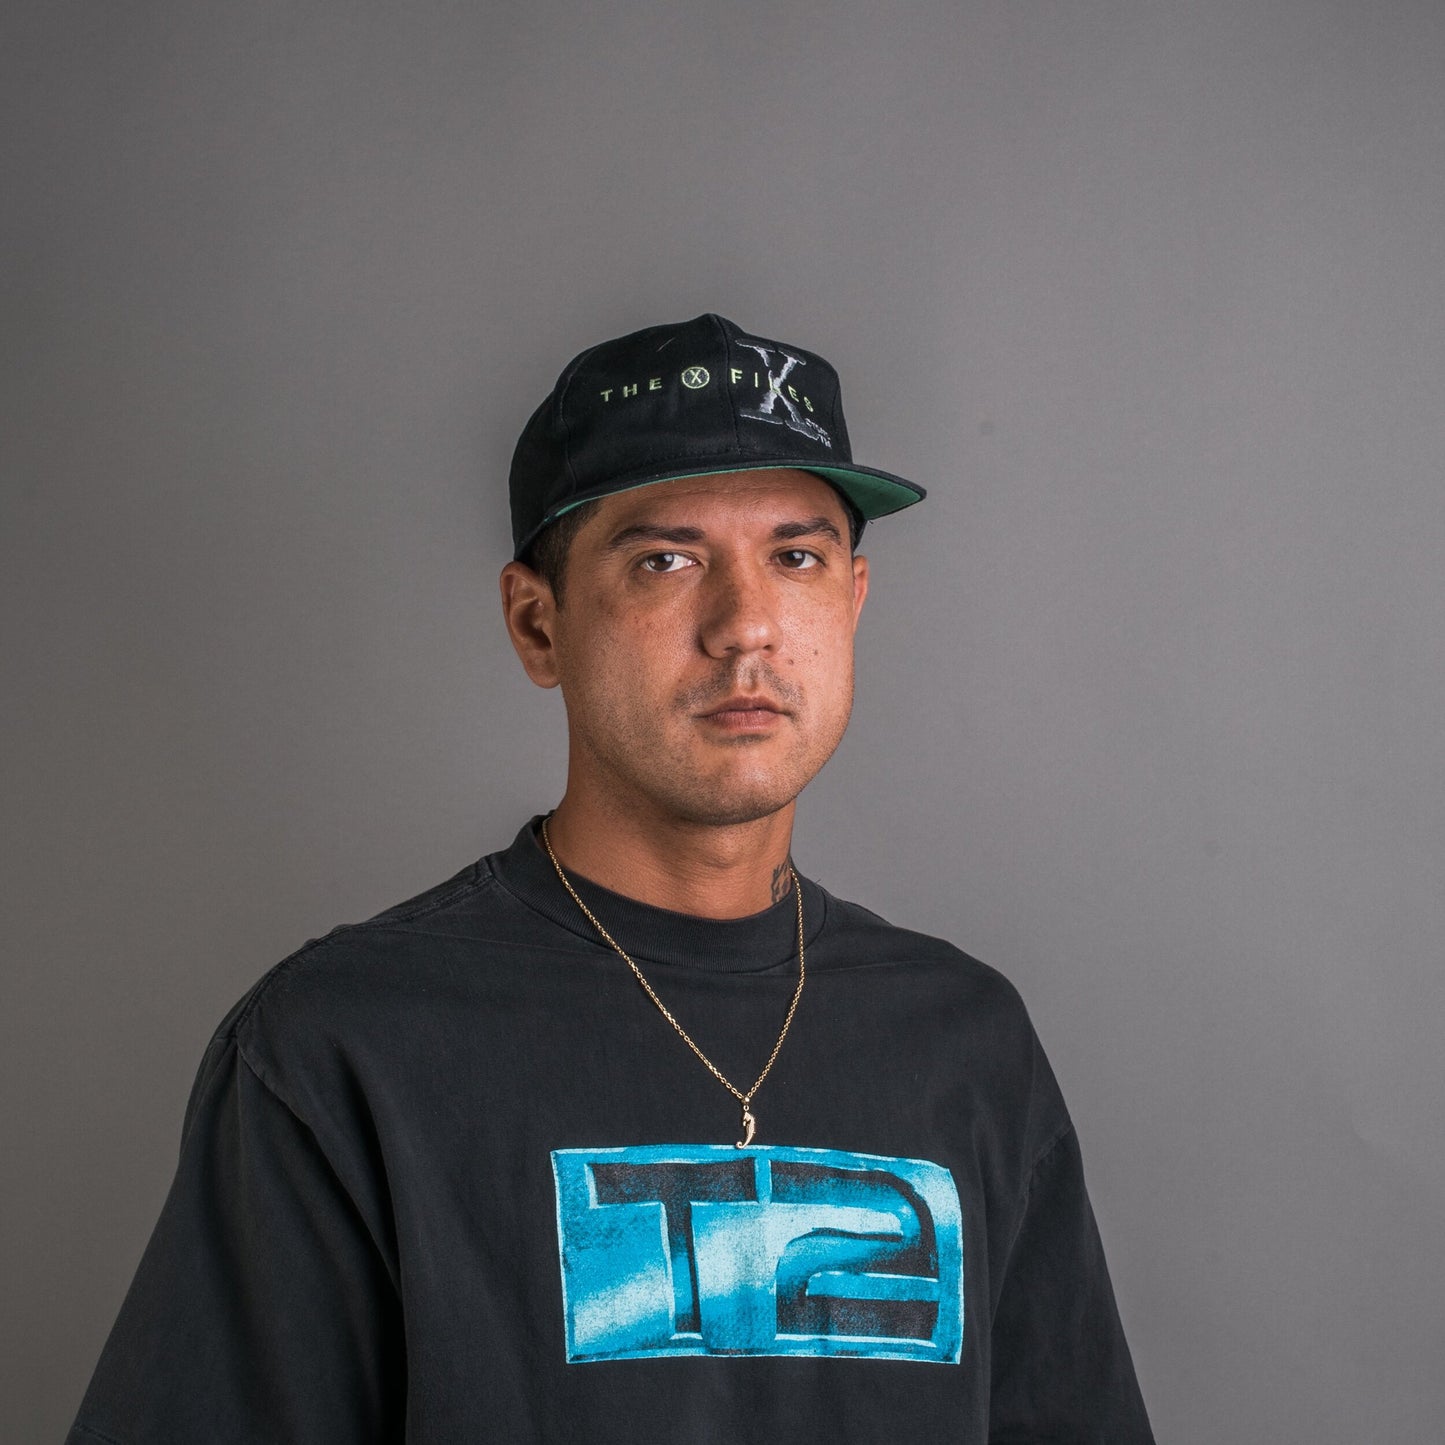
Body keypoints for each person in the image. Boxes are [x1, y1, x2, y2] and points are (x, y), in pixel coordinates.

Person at [67, 313, 1154, 1442]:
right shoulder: (346, 1047)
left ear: (852, 598)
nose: (745, 627)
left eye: (795, 556)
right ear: (537, 624)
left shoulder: (964, 1043)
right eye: (663, 560)